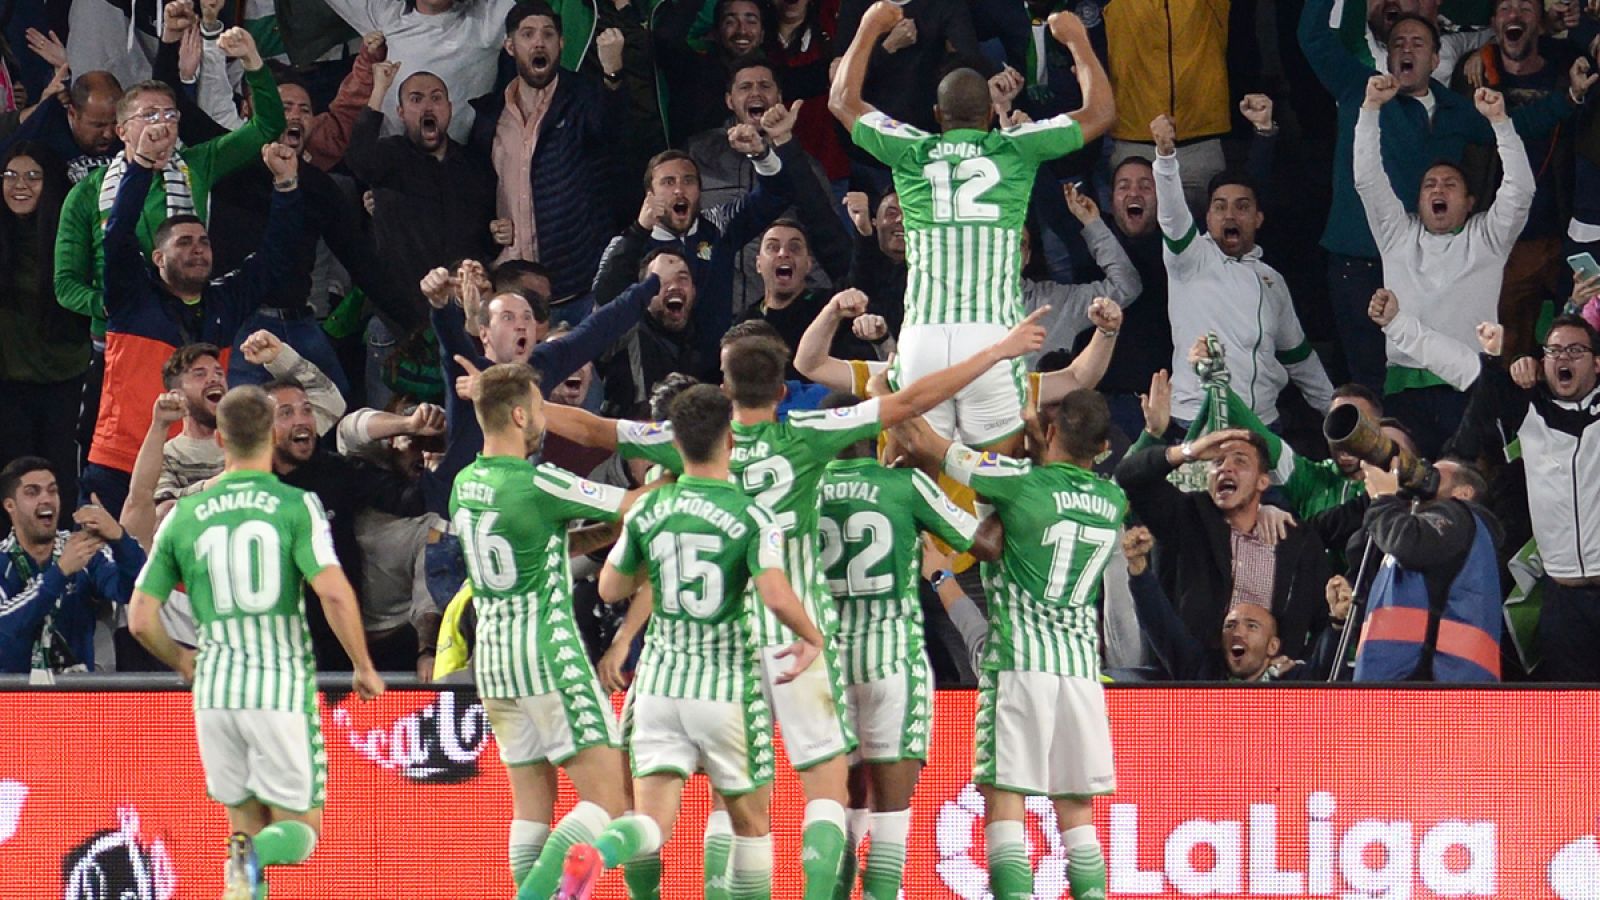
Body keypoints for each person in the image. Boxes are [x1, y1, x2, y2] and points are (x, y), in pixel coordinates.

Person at [540, 313, 1045, 899]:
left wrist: (511, 404)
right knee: (824, 791)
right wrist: (999, 351)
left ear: (724, 391)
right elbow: (909, 402)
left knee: (732, 803)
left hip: (722, 645)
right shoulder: (810, 433)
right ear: (782, 391)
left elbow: (593, 429)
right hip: (799, 634)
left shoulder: (689, 439)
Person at [559, 384, 829, 900]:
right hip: (725, 686)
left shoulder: (646, 511)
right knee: (750, 823)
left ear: (674, 444)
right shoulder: (756, 516)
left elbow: (610, 587)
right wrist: (810, 636)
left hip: (659, 685)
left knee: (652, 822)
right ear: (730, 440)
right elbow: (774, 593)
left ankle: (599, 854)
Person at [128, 385, 385, 900]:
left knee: (242, 830)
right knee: (301, 833)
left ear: (219, 438)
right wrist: (362, 664)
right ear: (271, 435)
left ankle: (245, 861)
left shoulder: (184, 513)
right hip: (278, 688)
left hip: (216, 692)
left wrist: (182, 659)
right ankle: (255, 855)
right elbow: (332, 591)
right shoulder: (295, 505)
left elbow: (139, 619)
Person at [830, 3, 1112, 452]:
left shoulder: (911, 148)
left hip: (921, 335)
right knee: (996, 484)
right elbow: (1099, 113)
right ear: (987, 117)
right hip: (992, 335)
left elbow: (842, 101)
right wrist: (1077, 40)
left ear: (937, 116)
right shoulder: (1017, 147)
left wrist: (868, 27)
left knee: (915, 477)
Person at [888, 390, 1127, 900]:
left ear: (1052, 431)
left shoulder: (1019, 483)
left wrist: (891, 387)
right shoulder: (1113, 500)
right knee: (1076, 811)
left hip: (1019, 662)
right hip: (1082, 671)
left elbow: (921, 439)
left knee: (1005, 802)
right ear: (1102, 446)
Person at [1297, 0, 1584, 390]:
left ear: (1436, 60)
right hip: (1359, 260)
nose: (1406, 50)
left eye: (1417, 43)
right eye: (1398, 43)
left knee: (1433, 367)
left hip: (1424, 266)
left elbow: (1517, 125)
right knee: (1369, 382)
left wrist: (1569, 98)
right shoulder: (1359, 87)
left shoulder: (1454, 109)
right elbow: (1312, 37)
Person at [447, 362, 648, 900]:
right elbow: (637, 504)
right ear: (518, 414)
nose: (543, 420)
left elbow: (535, 548)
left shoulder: (463, 484)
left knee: (532, 807)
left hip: (492, 661)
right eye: (538, 409)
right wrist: (673, 480)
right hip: (546, 654)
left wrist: (601, 535)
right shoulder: (539, 481)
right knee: (606, 806)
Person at [816, 393, 984, 899]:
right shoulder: (905, 484)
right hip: (891, 662)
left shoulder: (806, 488)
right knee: (890, 817)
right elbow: (981, 542)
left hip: (825, 666)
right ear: (879, 435)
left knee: (843, 810)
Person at [85, 136, 304, 519]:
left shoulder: (224, 300)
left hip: (198, 464)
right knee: (120, 572)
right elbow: (117, 235)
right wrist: (139, 168)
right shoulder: (131, 296)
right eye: (184, 243)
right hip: (122, 459)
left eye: (203, 242)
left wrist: (286, 187)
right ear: (158, 258)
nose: (198, 249)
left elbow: (275, 258)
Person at [1355, 77, 1533, 456]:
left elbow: (1520, 191)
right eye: (1429, 185)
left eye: (1450, 184)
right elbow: (1367, 180)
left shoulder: (1488, 238)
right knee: (1409, 493)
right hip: (1404, 391)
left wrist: (1501, 122)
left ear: (1470, 202)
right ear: (1417, 200)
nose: (1438, 190)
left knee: (1468, 489)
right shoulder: (1397, 236)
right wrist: (1370, 110)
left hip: (1469, 387)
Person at [1151, 113, 1335, 429]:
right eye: (1220, 206)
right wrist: (1166, 158)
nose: (1230, 214)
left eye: (1242, 206)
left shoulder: (1272, 281)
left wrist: (1336, 410)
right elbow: (1171, 216)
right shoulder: (1191, 258)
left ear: (1258, 218)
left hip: (1262, 425)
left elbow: (1299, 359)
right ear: (1207, 218)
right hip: (1198, 421)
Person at [1452, 315, 1600, 681]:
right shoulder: (1529, 412)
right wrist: (1498, 359)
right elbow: (1475, 424)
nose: (1564, 357)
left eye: (1576, 350)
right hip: (1562, 599)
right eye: (1554, 350)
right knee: (1570, 719)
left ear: (1597, 363)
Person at [592, 114, 800, 362]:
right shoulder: (629, 242)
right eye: (668, 182)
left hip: (714, 370)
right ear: (650, 194)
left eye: (688, 181)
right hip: (655, 373)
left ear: (700, 191)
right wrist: (639, 230)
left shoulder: (719, 226)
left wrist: (761, 154)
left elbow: (778, 194)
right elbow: (603, 295)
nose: (679, 189)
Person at [468, 1, 630, 318]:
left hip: (577, 289)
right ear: (510, 46)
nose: (539, 42)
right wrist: (490, 229)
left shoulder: (583, 97)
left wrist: (613, 75)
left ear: (561, 44)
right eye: (528, 34)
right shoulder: (489, 117)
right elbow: (476, 192)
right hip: (512, 293)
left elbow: (612, 129)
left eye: (548, 34)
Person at [1115, 429, 1334, 657]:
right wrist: (1190, 450)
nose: (1225, 468)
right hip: (1193, 679)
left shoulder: (1297, 541)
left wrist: (1299, 668)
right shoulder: (1187, 517)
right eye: (1217, 462)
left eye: (1240, 461)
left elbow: (1323, 618)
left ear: (1262, 481)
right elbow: (1129, 476)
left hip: (1270, 685)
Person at [686, 58, 853, 313]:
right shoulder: (698, 155)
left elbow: (824, 236)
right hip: (714, 309)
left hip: (781, 312)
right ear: (729, 100)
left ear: (779, 97)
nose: (756, 92)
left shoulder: (802, 165)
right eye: (745, 87)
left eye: (765, 86)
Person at [346, 63, 497, 325]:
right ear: (401, 113)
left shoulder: (475, 166)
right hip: (398, 318)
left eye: (436, 98)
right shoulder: (390, 157)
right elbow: (358, 159)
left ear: (449, 108)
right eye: (416, 99)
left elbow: (485, 238)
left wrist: (498, 234)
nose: (428, 106)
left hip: (463, 315)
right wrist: (380, 87)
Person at [1332, 456, 1503, 681]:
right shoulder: (1426, 539)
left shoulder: (1462, 517)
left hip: (1436, 686)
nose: (1422, 478)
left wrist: (1384, 498)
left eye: (1435, 474)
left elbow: (1407, 542)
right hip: (1402, 683)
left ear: (1463, 493)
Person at [1123, 526, 1332, 682]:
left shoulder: (1293, 681)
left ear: (1273, 646)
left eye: (1252, 626)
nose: (1238, 632)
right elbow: (1160, 624)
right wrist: (1139, 568)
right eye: (1230, 625)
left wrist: (1339, 622)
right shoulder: (1201, 670)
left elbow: (1328, 665)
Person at [0, 143, 87, 513]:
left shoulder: (70, 238)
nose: (21, 185)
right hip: (9, 383)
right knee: (11, 477)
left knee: (60, 476)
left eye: (33, 176)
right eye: (10, 175)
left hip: (63, 377)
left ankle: (64, 558)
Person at [0, 458, 145, 674]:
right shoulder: (3, 562)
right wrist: (59, 573)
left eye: (52, 491)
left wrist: (119, 538)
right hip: (15, 698)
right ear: (10, 505)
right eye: (33, 492)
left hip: (75, 695)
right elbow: (4, 630)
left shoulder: (83, 550)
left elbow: (134, 590)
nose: (46, 499)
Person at [319, 0, 517, 142]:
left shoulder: (486, 20)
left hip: (455, 168)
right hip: (388, 165)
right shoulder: (387, 13)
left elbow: (539, 20)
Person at [739, 221, 877, 374]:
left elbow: (863, 275)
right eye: (773, 247)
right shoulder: (745, 323)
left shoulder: (831, 307)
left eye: (794, 248)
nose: (783, 253)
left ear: (808, 264)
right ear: (758, 264)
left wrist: (864, 233)